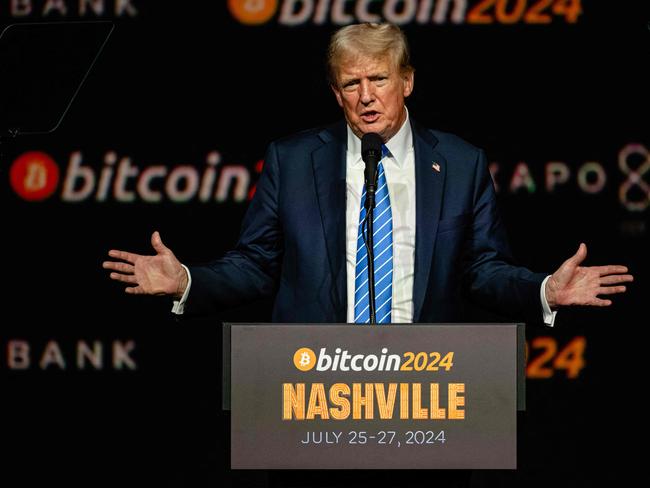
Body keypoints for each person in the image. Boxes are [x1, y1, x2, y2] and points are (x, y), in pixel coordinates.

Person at [103, 22, 632, 326]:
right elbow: (256, 264)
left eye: (379, 78)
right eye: (351, 83)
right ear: (336, 93)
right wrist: (188, 280)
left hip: (426, 387)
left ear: (407, 81)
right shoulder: (292, 160)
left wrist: (543, 289)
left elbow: (482, 270)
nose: (366, 96)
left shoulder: (461, 161)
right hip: (314, 386)